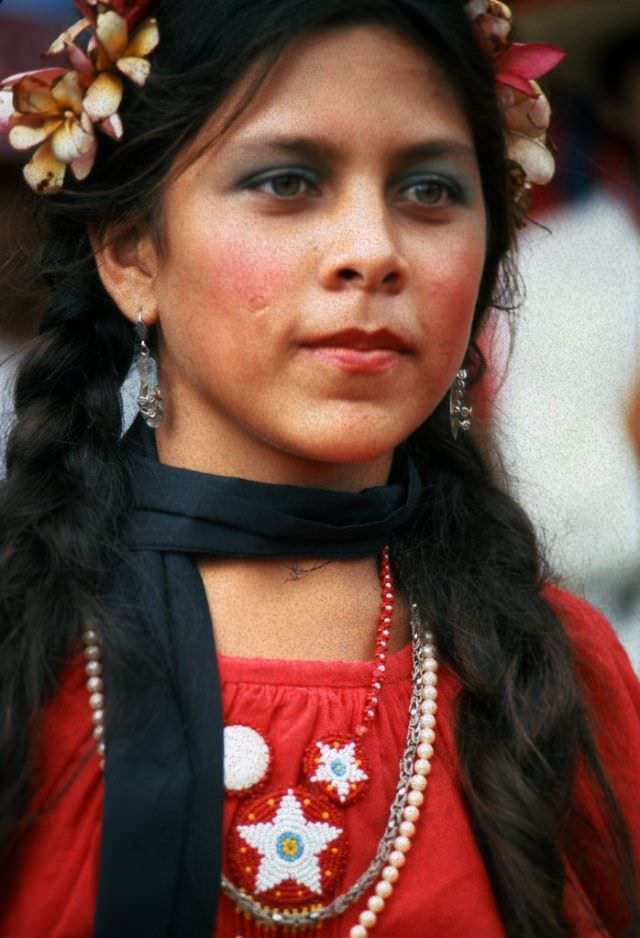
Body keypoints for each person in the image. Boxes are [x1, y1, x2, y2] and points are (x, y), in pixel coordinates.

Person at [0, 2, 638, 937]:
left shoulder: (554, 676)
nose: (372, 254)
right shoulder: (28, 654)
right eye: (288, 181)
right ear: (131, 251)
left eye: (428, 191)